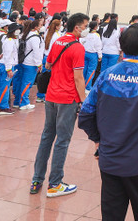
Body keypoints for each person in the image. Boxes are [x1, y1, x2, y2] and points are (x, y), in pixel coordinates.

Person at [78, 23, 138, 221]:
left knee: (111, 216)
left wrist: (98, 139)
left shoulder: (106, 75)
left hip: (110, 159)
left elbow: (86, 114)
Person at [31, 12, 88, 198]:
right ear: (77, 27)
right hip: (67, 98)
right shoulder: (78, 47)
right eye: (85, 26)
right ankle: (55, 183)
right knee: (62, 140)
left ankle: (37, 180)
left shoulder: (58, 41)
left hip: (51, 96)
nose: (86, 30)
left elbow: (48, 65)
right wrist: (83, 101)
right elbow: (79, 79)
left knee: (47, 137)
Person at [0, 23, 20, 115]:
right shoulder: (9, 41)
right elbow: (9, 56)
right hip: (6, 66)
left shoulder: (8, 39)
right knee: (4, 87)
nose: (19, 31)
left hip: (3, 65)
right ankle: (3, 107)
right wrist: (9, 69)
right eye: (17, 29)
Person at [16, 19, 44, 110]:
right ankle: (24, 103)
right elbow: (36, 52)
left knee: (22, 82)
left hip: (24, 61)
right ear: (36, 27)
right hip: (31, 63)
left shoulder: (26, 34)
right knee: (27, 83)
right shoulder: (35, 37)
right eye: (40, 25)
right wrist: (39, 64)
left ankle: (18, 101)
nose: (41, 26)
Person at [82, 20, 103, 89]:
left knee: (84, 69)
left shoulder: (86, 33)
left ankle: (81, 84)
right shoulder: (96, 35)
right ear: (95, 27)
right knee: (91, 71)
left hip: (85, 53)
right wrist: (100, 56)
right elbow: (98, 46)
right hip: (93, 54)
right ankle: (87, 86)